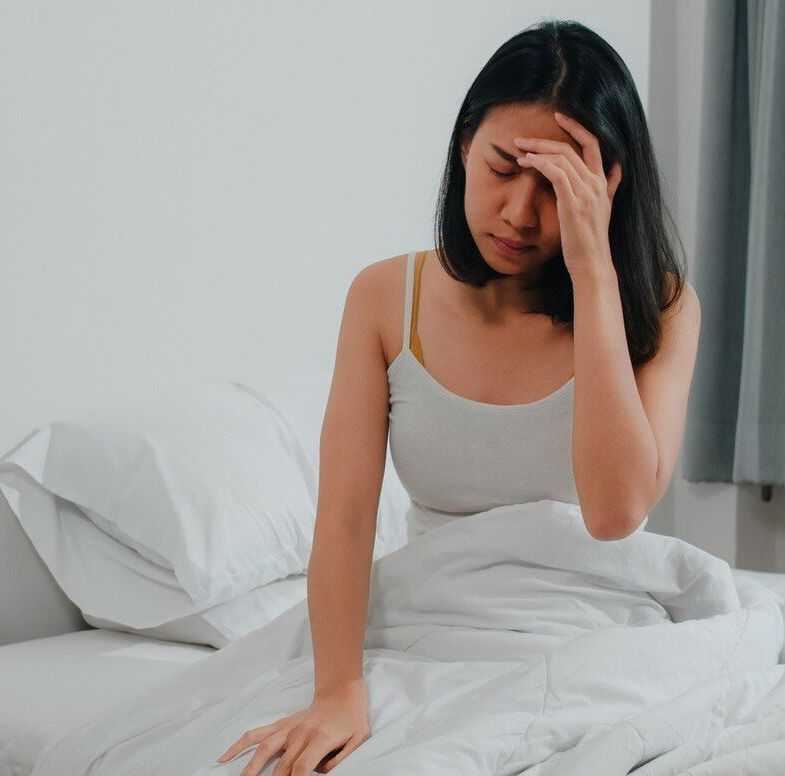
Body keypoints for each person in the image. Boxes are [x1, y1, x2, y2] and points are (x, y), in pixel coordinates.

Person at [216, 17, 700, 776]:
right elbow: (344, 520)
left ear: (608, 186)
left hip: (590, 623)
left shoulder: (659, 305)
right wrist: (339, 688)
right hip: (429, 619)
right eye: (503, 166)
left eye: (555, 185)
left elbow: (614, 515)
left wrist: (595, 272)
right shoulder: (384, 297)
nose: (518, 213)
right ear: (463, 146)